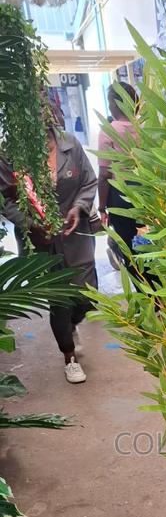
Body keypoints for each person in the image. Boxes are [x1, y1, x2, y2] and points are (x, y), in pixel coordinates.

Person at [0, 119, 99, 384]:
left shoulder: (70, 144)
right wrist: (31, 224)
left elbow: (89, 182)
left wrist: (78, 207)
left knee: (87, 296)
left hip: (76, 234)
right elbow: (6, 200)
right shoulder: (10, 153)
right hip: (41, 239)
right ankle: (69, 357)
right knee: (59, 299)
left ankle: (72, 324)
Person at [97, 82, 139, 270]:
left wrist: (101, 208)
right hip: (147, 194)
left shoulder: (109, 130)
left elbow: (104, 174)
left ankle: (142, 290)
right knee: (148, 243)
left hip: (120, 197)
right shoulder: (145, 127)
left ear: (114, 104)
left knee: (129, 248)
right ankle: (158, 292)